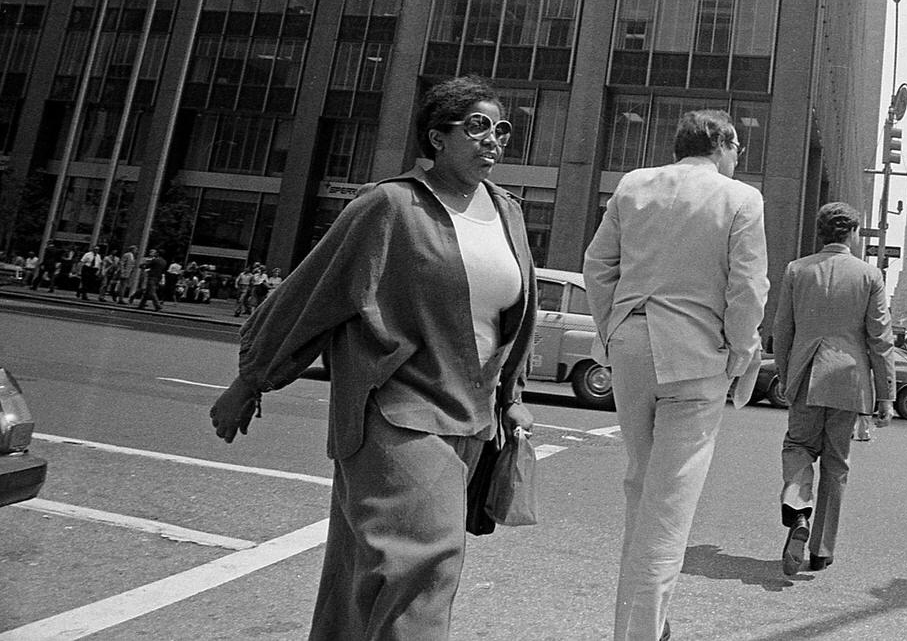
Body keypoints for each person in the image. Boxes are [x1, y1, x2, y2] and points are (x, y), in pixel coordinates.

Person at [210, 75, 537, 640]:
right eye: (477, 126)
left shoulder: (506, 210)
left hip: (472, 418)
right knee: (423, 565)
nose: (493, 140)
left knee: (360, 576)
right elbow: (312, 292)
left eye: (501, 129)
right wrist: (252, 378)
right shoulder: (390, 205)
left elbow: (507, 318)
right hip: (398, 411)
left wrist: (511, 398)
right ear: (437, 137)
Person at [583, 108, 767, 641]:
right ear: (724, 143)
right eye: (737, 148)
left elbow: (598, 266)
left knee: (641, 487)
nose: (738, 158)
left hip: (632, 344)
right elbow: (748, 288)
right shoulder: (741, 199)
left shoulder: (634, 185)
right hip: (695, 352)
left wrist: (612, 328)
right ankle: (640, 632)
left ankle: (648, 624)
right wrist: (738, 352)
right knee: (669, 505)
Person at [771, 202, 895, 577]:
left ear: (822, 233)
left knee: (798, 446)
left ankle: (800, 510)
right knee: (836, 465)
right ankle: (822, 550)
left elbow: (783, 331)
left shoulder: (797, 270)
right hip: (849, 379)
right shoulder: (870, 276)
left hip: (806, 373)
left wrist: (784, 373)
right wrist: (885, 394)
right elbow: (881, 339)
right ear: (854, 233)